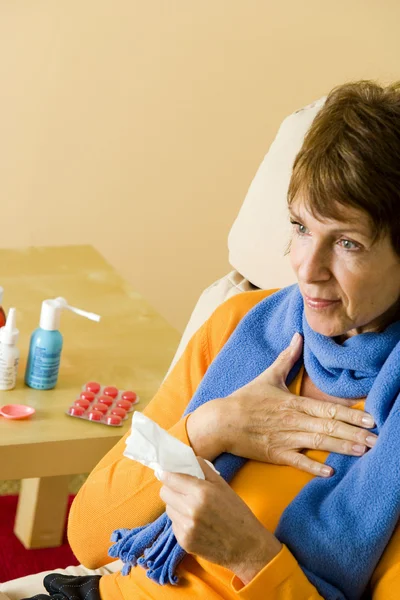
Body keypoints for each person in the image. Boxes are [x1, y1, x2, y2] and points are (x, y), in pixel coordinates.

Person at [12, 79, 400, 599]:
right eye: (301, 228)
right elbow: (89, 537)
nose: (307, 270)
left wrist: (250, 555)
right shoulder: (241, 323)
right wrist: (212, 427)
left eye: (347, 242)